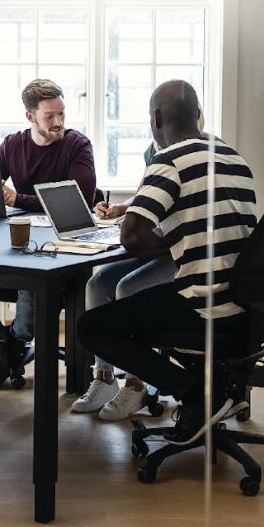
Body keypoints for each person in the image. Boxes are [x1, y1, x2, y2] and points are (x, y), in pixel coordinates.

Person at [76, 80, 258, 445]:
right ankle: (205, 391)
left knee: (93, 327)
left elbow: (131, 235)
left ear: (156, 118)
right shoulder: (232, 157)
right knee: (123, 294)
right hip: (245, 304)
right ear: (198, 115)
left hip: (203, 306)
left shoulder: (170, 160)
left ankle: (193, 393)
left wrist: (169, 238)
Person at [0, 78, 97, 390]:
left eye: (61, 114)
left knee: (33, 280)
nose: (58, 122)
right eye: (49, 116)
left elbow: (79, 199)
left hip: (58, 252)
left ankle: (8, 350)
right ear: (30, 116)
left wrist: (18, 199)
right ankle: (2, 344)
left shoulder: (77, 145)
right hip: (16, 243)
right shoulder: (13, 144)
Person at [71, 142, 174, 420]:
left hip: (178, 250)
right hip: (153, 243)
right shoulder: (155, 151)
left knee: (128, 287)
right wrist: (120, 209)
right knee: (97, 284)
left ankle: (136, 382)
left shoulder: (193, 153)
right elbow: (144, 194)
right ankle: (104, 377)